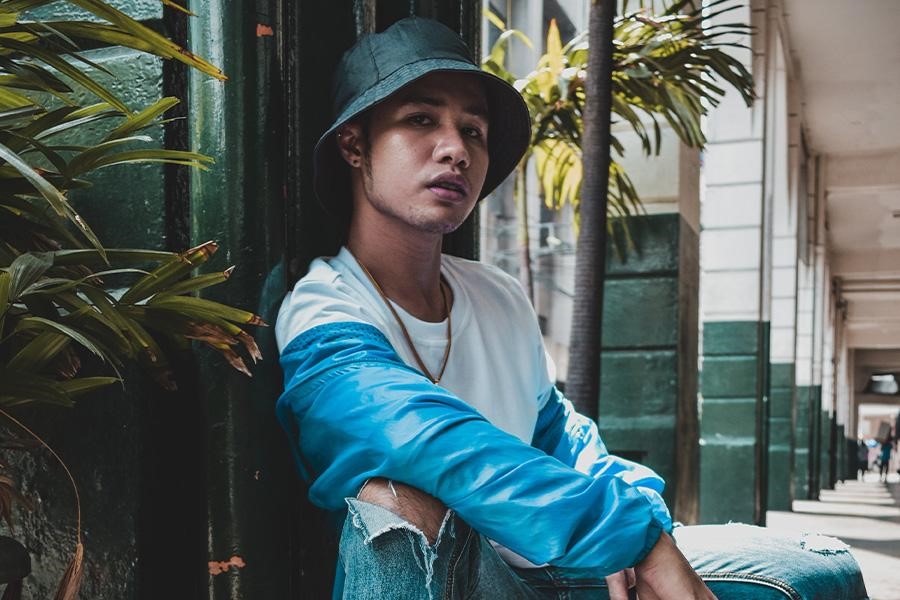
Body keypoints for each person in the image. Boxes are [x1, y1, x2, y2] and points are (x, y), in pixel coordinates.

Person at [275, 17, 867, 600]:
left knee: (821, 566)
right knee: (395, 507)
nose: (455, 149)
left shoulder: (497, 294)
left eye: (474, 131)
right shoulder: (324, 310)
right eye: (421, 120)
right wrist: (632, 538)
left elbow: (564, 438)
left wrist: (645, 525)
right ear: (354, 145)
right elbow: (423, 440)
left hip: (557, 571)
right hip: (451, 582)